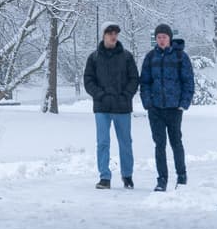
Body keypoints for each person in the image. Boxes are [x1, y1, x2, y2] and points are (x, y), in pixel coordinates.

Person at [83, 22, 139, 189]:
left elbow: (134, 79)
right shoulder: (94, 58)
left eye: (115, 33)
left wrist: (126, 95)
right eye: (110, 33)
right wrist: (100, 95)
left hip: (122, 107)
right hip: (102, 107)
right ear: (103, 35)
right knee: (103, 142)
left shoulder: (127, 56)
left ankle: (127, 175)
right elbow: (88, 80)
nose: (113, 36)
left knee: (125, 142)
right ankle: (104, 177)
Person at [139, 23, 195, 192]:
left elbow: (188, 81)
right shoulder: (150, 57)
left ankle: (182, 176)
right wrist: (148, 103)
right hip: (155, 109)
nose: (161, 40)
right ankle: (162, 179)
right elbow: (145, 82)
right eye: (158, 37)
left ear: (170, 38)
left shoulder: (180, 56)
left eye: (164, 37)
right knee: (159, 145)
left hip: (174, 108)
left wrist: (183, 103)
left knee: (176, 142)